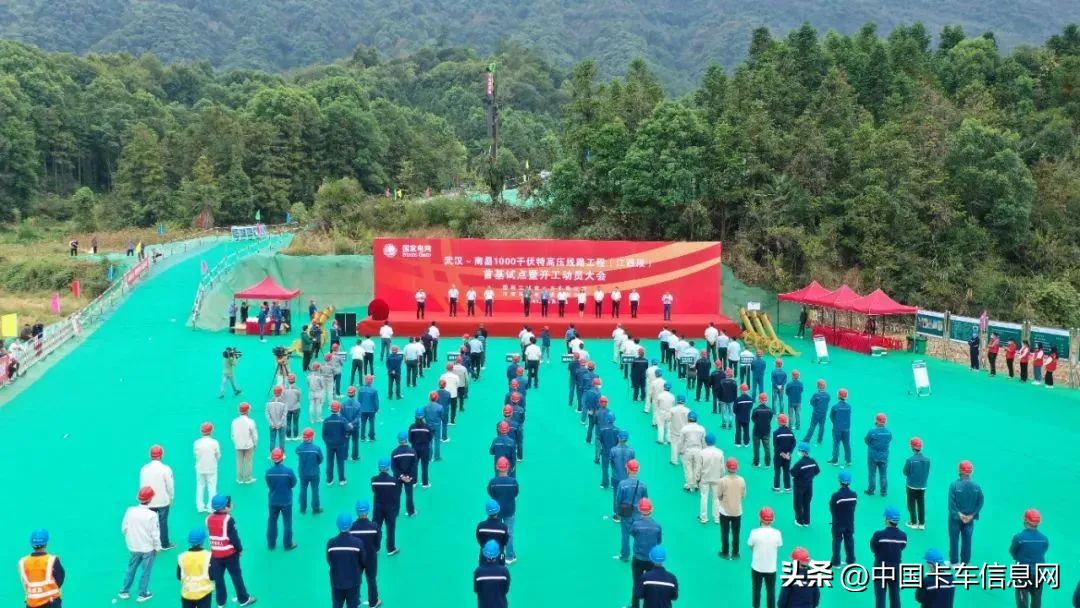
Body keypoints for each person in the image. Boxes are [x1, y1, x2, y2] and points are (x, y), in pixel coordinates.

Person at [206, 495, 256, 607]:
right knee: (236, 576)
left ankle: (220, 603)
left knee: (218, 580)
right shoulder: (229, 519)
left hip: (215, 555)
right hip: (230, 554)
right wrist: (240, 549)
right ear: (225, 507)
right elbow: (234, 537)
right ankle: (243, 599)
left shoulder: (208, 519)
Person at [119, 486, 162, 601]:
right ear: (151, 499)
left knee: (131, 569)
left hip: (133, 546)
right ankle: (142, 593)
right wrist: (158, 548)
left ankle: (124, 590)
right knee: (146, 571)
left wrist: (131, 539)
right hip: (148, 548)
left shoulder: (130, 510)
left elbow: (124, 528)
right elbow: (155, 534)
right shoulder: (152, 515)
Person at [1010, 509, 1049, 608]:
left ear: (1026, 521)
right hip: (1039, 572)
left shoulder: (1019, 538)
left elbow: (1012, 551)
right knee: (1036, 598)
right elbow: (1044, 550)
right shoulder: (1044, 539)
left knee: (1022, 598)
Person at [947, 460, 983, 565]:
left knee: (954, 539)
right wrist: (972, 515)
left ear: (959, 471)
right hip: (969, 519)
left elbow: (951, 503)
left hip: (955, 519)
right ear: (971, 472)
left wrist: (959, 514)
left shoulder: (954, 485)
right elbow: (980, 501)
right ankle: (965, 562)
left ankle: (954, 561)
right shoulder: (976, 487)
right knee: (967, 540)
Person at [628, 498, 662, 608]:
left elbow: (632, 534)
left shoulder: (636, 524)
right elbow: (659, 541)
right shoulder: (657, 526)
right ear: (651, 510)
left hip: (638, 559)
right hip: (651, 560)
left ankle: (635, 606)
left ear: (639, 510)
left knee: (637, 584)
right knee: (651, 585)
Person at [140, 444, 176, 550]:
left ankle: (149, 543)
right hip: (162, 501)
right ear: (162, 455)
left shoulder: (144, 469)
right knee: (163, 522)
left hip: (148, 500)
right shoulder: (166, 469)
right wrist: (171, 497)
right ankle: (164, 543)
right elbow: (170, 485)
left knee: (148, 522)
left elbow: (142, 485)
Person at [871, 506, 907, 608]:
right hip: (896, 569)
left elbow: (873, 547)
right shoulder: (903, 536)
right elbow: (902, 547)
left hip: (880, 568)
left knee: (880, 596)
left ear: (887, 520)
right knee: (895, 595)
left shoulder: (879, 535)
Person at [327, 513, 366, 608]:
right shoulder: (358, 543)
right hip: (353, 582)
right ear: (350, 525)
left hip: (336, 582)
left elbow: (329, 561)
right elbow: (363, 561)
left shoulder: (331, 543)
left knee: (337, 605)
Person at [348, 501, 382, 608]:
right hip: (370, 558)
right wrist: (374, 549)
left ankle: (354, 602)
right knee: (371, 579)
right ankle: (373, 601)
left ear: (356, 512)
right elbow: (377, 543)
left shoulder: (351, 528)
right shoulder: (374, 526)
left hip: (356, 558)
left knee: (355, 580)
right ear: (368, 511)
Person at [747, 507, 782, 608]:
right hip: (771, 568)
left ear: (760, 518)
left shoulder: (754, 532)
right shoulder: (777, 533)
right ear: (773, 519)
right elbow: (778, 546)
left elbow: (750, 545)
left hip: (757, 567)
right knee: (771, 591)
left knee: (756, 590)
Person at [614, 459, 649, 559]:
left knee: (625, 536)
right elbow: (645, 500)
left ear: (627, 469)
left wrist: (618, 514)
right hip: (638, 514)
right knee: (639, 536)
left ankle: (624, 555)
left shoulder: (622, 484)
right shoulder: (643, 485)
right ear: (638, 470)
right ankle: (640, 555)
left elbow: (618, 500)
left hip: (626, 515)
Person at [487, 457, 519, 564]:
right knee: (509, 533)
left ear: (497, 467)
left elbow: (490, 492)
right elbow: (516, 493)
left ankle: (495, 553)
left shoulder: (493, 482)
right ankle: (509, 556)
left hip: (497, 511)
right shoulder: (513, 482)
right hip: (510, 511)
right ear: (508, 467)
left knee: (496, 531)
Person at [265, 448, 297, 551]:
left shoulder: (268, 472)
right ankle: (288, 544)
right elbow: (293, 483)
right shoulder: (288, 471)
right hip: (286, 501)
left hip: (273, 500)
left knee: (272, 521)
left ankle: (271, 544)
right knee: (287, 522)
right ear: (282, 458)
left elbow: (269, 484)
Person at [371, 459, 402, 556]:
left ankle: (375, 547)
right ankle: (391, 548)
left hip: (378, 507)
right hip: (390, 508)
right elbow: (396, 494)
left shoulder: (373, 480)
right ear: (388, 468)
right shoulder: (393, 481)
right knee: (391, 528)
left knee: (376, 527)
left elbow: (374, 490)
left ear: (379, 467)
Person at [716, 457, 746, 558]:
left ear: (727, 467)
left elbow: (719, 495)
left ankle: (725, 552)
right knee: (736, 533)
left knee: (724, 533)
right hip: (737, 511)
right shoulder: (742, 480)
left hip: (724, 511)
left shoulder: (722, 481)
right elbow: (743, 495)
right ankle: (735, 553)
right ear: (737, 468)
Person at [176, 528, 212, 608]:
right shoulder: (208, 556)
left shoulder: (182, 557)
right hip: (204, 593)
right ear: (203, 541)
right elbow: (212, 576)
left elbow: (179, 576)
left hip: (187, 593)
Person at [829, 471, 858, 567]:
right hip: (849, 522)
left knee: (837, 541)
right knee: (849, 540)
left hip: (838, 522)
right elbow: (853, 507)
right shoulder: (854, 495)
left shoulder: (836, 496)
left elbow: (832, 508)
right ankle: (851, 560)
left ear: (839, 481)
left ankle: (836, 562)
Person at [903, 437, 930, 530]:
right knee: (921, 503)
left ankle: (913, 522)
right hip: (922, 486)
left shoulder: (910, 460)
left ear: (912, 447)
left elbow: (905, 472)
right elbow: (927, 471)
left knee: (911, 504)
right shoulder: (927, 460)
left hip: (911, 486)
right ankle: (922, 523)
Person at [474, 540, 511, 608]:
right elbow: (506, 589)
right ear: (497, 554)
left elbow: (477, 590)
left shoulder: (478, 572)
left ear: (484, 554)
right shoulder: (504, 571)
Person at [194, 423, 221, 514]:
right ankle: (211, 507)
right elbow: (218, 455)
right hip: (211, 467)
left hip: (200, 467)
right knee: (212, 487)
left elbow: (196, 455)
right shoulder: (215, 442)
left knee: (200, 486)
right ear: (211, 431)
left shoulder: (197, 442)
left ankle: (200, 507)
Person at [792, 443, 820, 527]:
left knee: (797, 504)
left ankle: (799, 520)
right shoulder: (813, 461)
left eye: (799, 450)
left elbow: (793, 473)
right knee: (806, 503)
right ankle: (806, 521)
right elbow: (817, 471)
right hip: (809, 486)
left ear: (803, 452)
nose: (798, 452)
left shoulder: (799, 463)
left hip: (799, 486)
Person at [865, 413, 893, 496]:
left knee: (872, 474)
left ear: (876, 421)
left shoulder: (872, 432)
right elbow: (889, 440)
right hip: (884, 456)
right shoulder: (888, 432)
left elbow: (867, 440)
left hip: (873, 456)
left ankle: (871, 490)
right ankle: (883, 491)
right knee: (883, 475)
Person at [297, 428, 323, 515]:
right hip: (314, 473)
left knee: (303, 490)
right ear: (311, 437)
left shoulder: (299, 448)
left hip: (303, 473)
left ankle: (302, 508)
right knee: (315, 491)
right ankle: (316, 508)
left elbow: (297, 451)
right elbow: (320, 459)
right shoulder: (316, 449)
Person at [391, 433, 418, 517]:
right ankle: (411, 511)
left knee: (397, 495)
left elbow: (393, 467)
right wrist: (410, 477)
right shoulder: (412, 452)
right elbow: (414, 466)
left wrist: (401, 476)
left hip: (398, 477)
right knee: (409, 495)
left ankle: (395, 512)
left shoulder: (394, 452)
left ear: (399, 440)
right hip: (409, 478)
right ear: (406, 439)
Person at [678, 411, 706, 492]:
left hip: (688, 450)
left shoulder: (684, 428)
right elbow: (704, 441)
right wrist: (704, 450)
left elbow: (681, 441)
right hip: (698, 450)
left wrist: (680, 450)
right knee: (697, 467)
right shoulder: (701, 428)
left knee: (688, 467)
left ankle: (689, 484)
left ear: (688, 419)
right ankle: (696, 484)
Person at [323, 402, 348, 486]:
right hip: (340, 444)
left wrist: (327, 442)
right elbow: (347, 429)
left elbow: (324, 434)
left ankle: (329, 480)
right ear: (339, 409)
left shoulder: (326, 420)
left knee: (329, 462)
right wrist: (344, 439)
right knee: (340, 462)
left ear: (331, 410)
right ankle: (341, 480)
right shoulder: (342, 420)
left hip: (329, 445)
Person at [231, 403, 258, 484]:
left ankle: (239, 478)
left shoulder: (234, 421)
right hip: (248, 445)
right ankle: (248, 478)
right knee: (249, 461)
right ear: (247, 411)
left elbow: (232, 435)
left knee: (239, 461)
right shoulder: (251, 421)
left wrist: (236, 442)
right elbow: (254, 434)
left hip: (238, 445)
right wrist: (255, 443)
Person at [476, 500, 509, 564]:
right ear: (498, 511)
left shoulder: (481, 526)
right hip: (499, 555)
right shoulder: (504, 527)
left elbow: (479, 539)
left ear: (487, 511)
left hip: (484, 555)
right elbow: (505, 542)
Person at [827, 388, 852, 467]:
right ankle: (848, 461)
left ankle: (835, 461)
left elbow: (831, 416)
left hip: (837, 429)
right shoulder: (849, 407)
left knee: (836, 444)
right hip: (846, 429)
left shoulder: (835, 407)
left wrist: (836, 423)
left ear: (838, 396)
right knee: (847, 444)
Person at [409, 410, 433, 488]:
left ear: (415, 417)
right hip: (425, 449)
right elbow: (430, 438)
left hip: (415, 448)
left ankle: (414, 482)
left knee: (414, 465)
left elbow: (410, 439)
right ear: (423, 417)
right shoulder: (427, 427)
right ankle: (425, 483)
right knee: (425, 466)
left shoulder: (412, 427)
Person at [772, 415, 796, 492]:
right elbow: (794, 443)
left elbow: (776, 445)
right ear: (786, 422)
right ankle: (787, 487)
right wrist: (789, 453)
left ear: (779, 422)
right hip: (788, 456)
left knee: (777, 471)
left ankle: (776, 487)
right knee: (786, 471)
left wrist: (782, 453)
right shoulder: (790, 432)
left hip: (778, 456)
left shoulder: (776, 433)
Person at [751, 394, 774, 468]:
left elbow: (753, 419)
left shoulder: (755, 410)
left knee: (756, 448)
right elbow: (770, 419)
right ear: (766, 400)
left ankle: (756, 463)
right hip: (766, 431)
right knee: (767, 448)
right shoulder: (770, 410)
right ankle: (767, 463)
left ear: (759, 400)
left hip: (757, 431)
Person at [803, 380, 829, 444]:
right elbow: (827, 402)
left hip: (816, 413)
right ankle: (820, 439)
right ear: (825, 386)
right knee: (822, 426)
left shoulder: (816, 394)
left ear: (817, 386)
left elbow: (812, 402)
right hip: (823, 414)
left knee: (812, 426)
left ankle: (807, 440)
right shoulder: (828, 395)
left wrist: (815, 405)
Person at [668, 396, 690, 466]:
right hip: (684, 430)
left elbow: (668, 418)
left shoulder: (672, 409)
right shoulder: (688, 410)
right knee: (684, 446)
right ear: (684, 401)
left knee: (674, 445)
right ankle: (684, 461)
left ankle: (674, 460)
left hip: (674, 429)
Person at [341, 388, 362, 461]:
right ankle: (355, 456)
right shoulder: (358, 404)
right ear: (354, 393)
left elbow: (342, 415)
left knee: (345, 442)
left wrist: (348, 423)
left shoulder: (343, 404)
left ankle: (344, 456)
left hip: (346, 427)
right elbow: (358, 416)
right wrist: (352, 423)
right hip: (355, 426)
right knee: (355, 442)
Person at [357, 375, 379, 442]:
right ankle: (371, 437)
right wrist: (376, 409)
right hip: (371, 410)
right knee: (372, 423)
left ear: (365, 380)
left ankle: (362, 437)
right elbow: (376, 401)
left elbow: (359, 400)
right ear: (372, 381)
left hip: (363, 409)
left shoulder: (360, 389)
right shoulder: (374, 390)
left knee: (363, 423)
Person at [265, 387, 287, 453]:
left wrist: (271, 423)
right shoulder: (284, 402)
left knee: (272, 439)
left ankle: (272, 453)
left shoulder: (269, 402)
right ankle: (282, 453)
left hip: (272, 425)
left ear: (273, 392)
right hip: (282, 425)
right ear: (281, 393)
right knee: (282, 439)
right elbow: (284, 414)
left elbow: (267, 414)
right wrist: (280, 423)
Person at [283, 375, 302, 441]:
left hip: (287, 408)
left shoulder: (284, 389)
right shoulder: (298, 389)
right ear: (295, 380)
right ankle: (295, 436)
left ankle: (287, 436)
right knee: (295, 422)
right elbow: (299, 398)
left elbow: (283, 398)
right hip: (296, 407)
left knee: (288, 422)